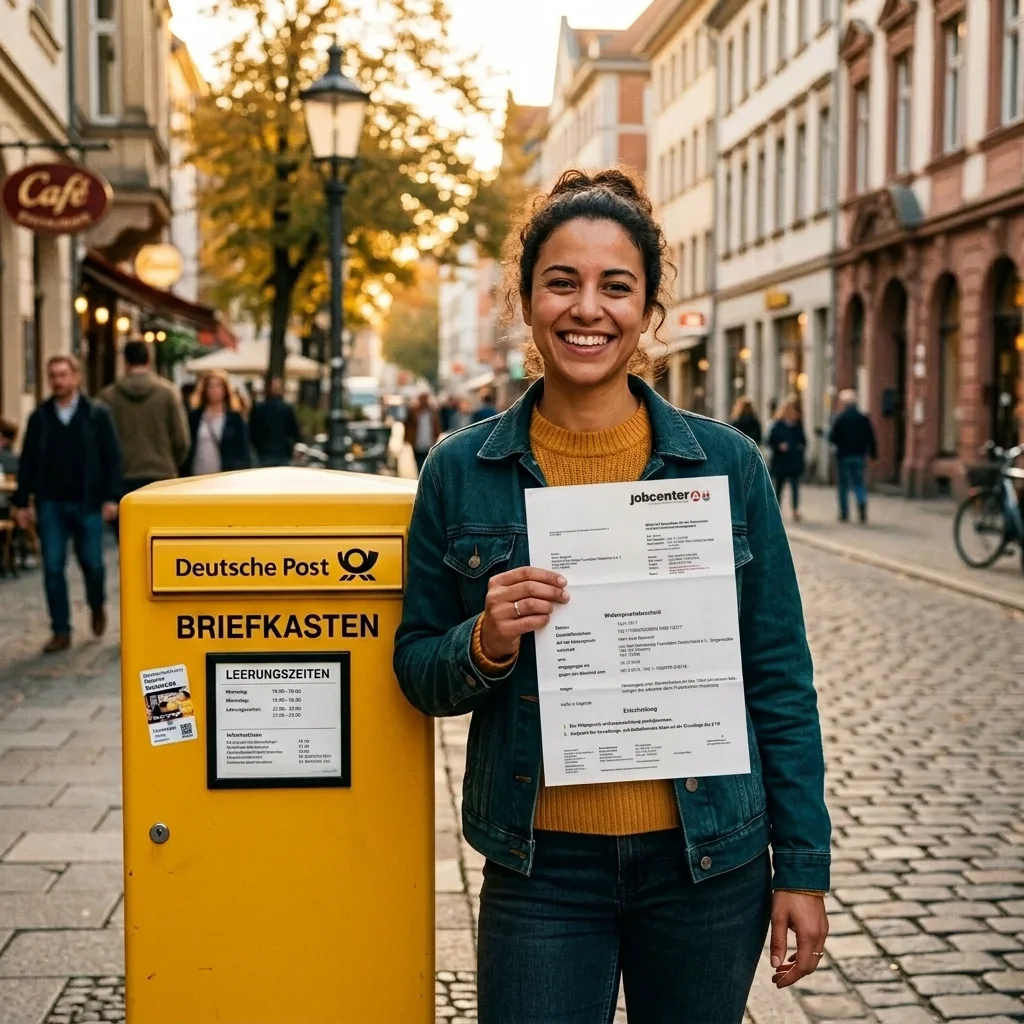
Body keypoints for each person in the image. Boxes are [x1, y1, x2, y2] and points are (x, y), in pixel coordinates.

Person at [394, 168, 829, 1023]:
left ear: (646, 311)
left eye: (615, 286)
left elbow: (778, 675)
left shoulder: (726, 464)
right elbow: (415, 669)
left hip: (709, 862)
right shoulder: (459, 470)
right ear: (526, 301)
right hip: (541, 865)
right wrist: (482, 642)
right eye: (562, 282)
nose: (587, 308)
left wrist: (804, 868)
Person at [12, 355, 122, 654]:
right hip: (52, 504)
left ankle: (97, 603)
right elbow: (28, 463)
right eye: (53, 376)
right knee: (53, 567)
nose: (58, 381)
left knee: (94, 564)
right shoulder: (40, 417)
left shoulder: (97, 414)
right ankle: (61, 629)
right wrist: (22, 502)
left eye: (62, 375)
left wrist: (113, 497)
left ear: (76, 377)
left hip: (88, 502)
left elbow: (112, 457)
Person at [99, 340, 190, 505]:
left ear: (125, 362)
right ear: (149, 360)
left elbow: (101, 440)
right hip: (162, 474)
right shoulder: (168, 393)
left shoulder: (109, 396)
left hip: (124, 476)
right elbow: (181, 439)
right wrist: (168, 460)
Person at [182, 370, 252, 476]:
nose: (214, 390)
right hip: (197, 473)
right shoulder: (195, 417)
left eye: (218, 386)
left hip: (225, 475)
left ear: (225, 390)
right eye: (211, 386)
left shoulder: (234, 418)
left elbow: (243, 449)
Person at [829, 388, 877, 524]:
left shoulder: (840, 418)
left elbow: (833, 437)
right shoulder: (863, 418)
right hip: (859, 455)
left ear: (843, 403)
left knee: (843, 485)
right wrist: (873, 454)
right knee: (859, 483)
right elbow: (871, 437)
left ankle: (844, 513)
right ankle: (862, 509)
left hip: (844, 455)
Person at [768, 400, 807, 522]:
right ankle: (776, 510)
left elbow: (803, 441)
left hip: (793, 460)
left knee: (795, 486)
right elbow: (770, 440)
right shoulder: (778, 425)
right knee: (779, 486)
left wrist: (799, 447)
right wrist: (779, 446)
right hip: (781, 461)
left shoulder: (797, 426)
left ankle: (795, 510)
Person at [249, 377, 301, 467]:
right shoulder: (286, 408)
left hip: (265, 451)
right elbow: (294, 430)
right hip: (280, 451)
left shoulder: (259, 408)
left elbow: (252, 430)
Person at [404, 392, 441, 473]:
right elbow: (408, 426)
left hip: (429, 443)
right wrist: (408, 439)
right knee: (419, 464)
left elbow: (437, 427)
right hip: (417, 443)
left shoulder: (432, 412)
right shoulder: (413, 411)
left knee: (427, 464)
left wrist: (435, 438)